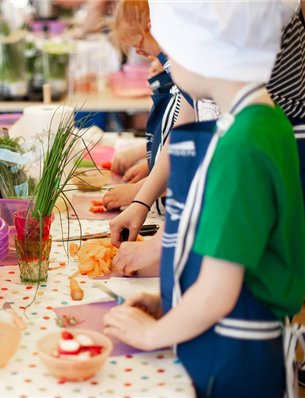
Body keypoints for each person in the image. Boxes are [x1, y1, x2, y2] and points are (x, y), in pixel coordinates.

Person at [103, 2, 304, 398]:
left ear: (204, 50)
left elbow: (218, 292)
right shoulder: (264, 122)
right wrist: (172, 300)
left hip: (230, 362)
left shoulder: (240, 148)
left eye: (174, 51)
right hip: (242, 341)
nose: (169, 65)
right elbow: (248, 262)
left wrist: (153, 334)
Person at [101, 0, 184, 211]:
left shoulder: (186, 78)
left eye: (138, 45)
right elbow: (173, 143)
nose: (144, 55)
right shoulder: (175, 71)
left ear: (151, 27)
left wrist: (137, 192)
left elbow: (190, 166)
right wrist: (151, 164)